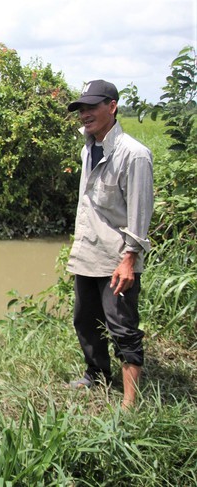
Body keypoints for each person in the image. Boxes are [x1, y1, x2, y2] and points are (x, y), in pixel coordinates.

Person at [65, 79, 154, 409]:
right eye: (81, 109)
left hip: (118, 257)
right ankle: (97, 375)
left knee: (123, 326)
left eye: (91, 107)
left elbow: (140, 212)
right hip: (88, 250)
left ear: (112, 106)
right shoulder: (88, 147)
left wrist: (130, 259)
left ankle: (130, 403)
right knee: (85, 319)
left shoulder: (134, 155)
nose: (84, 114)